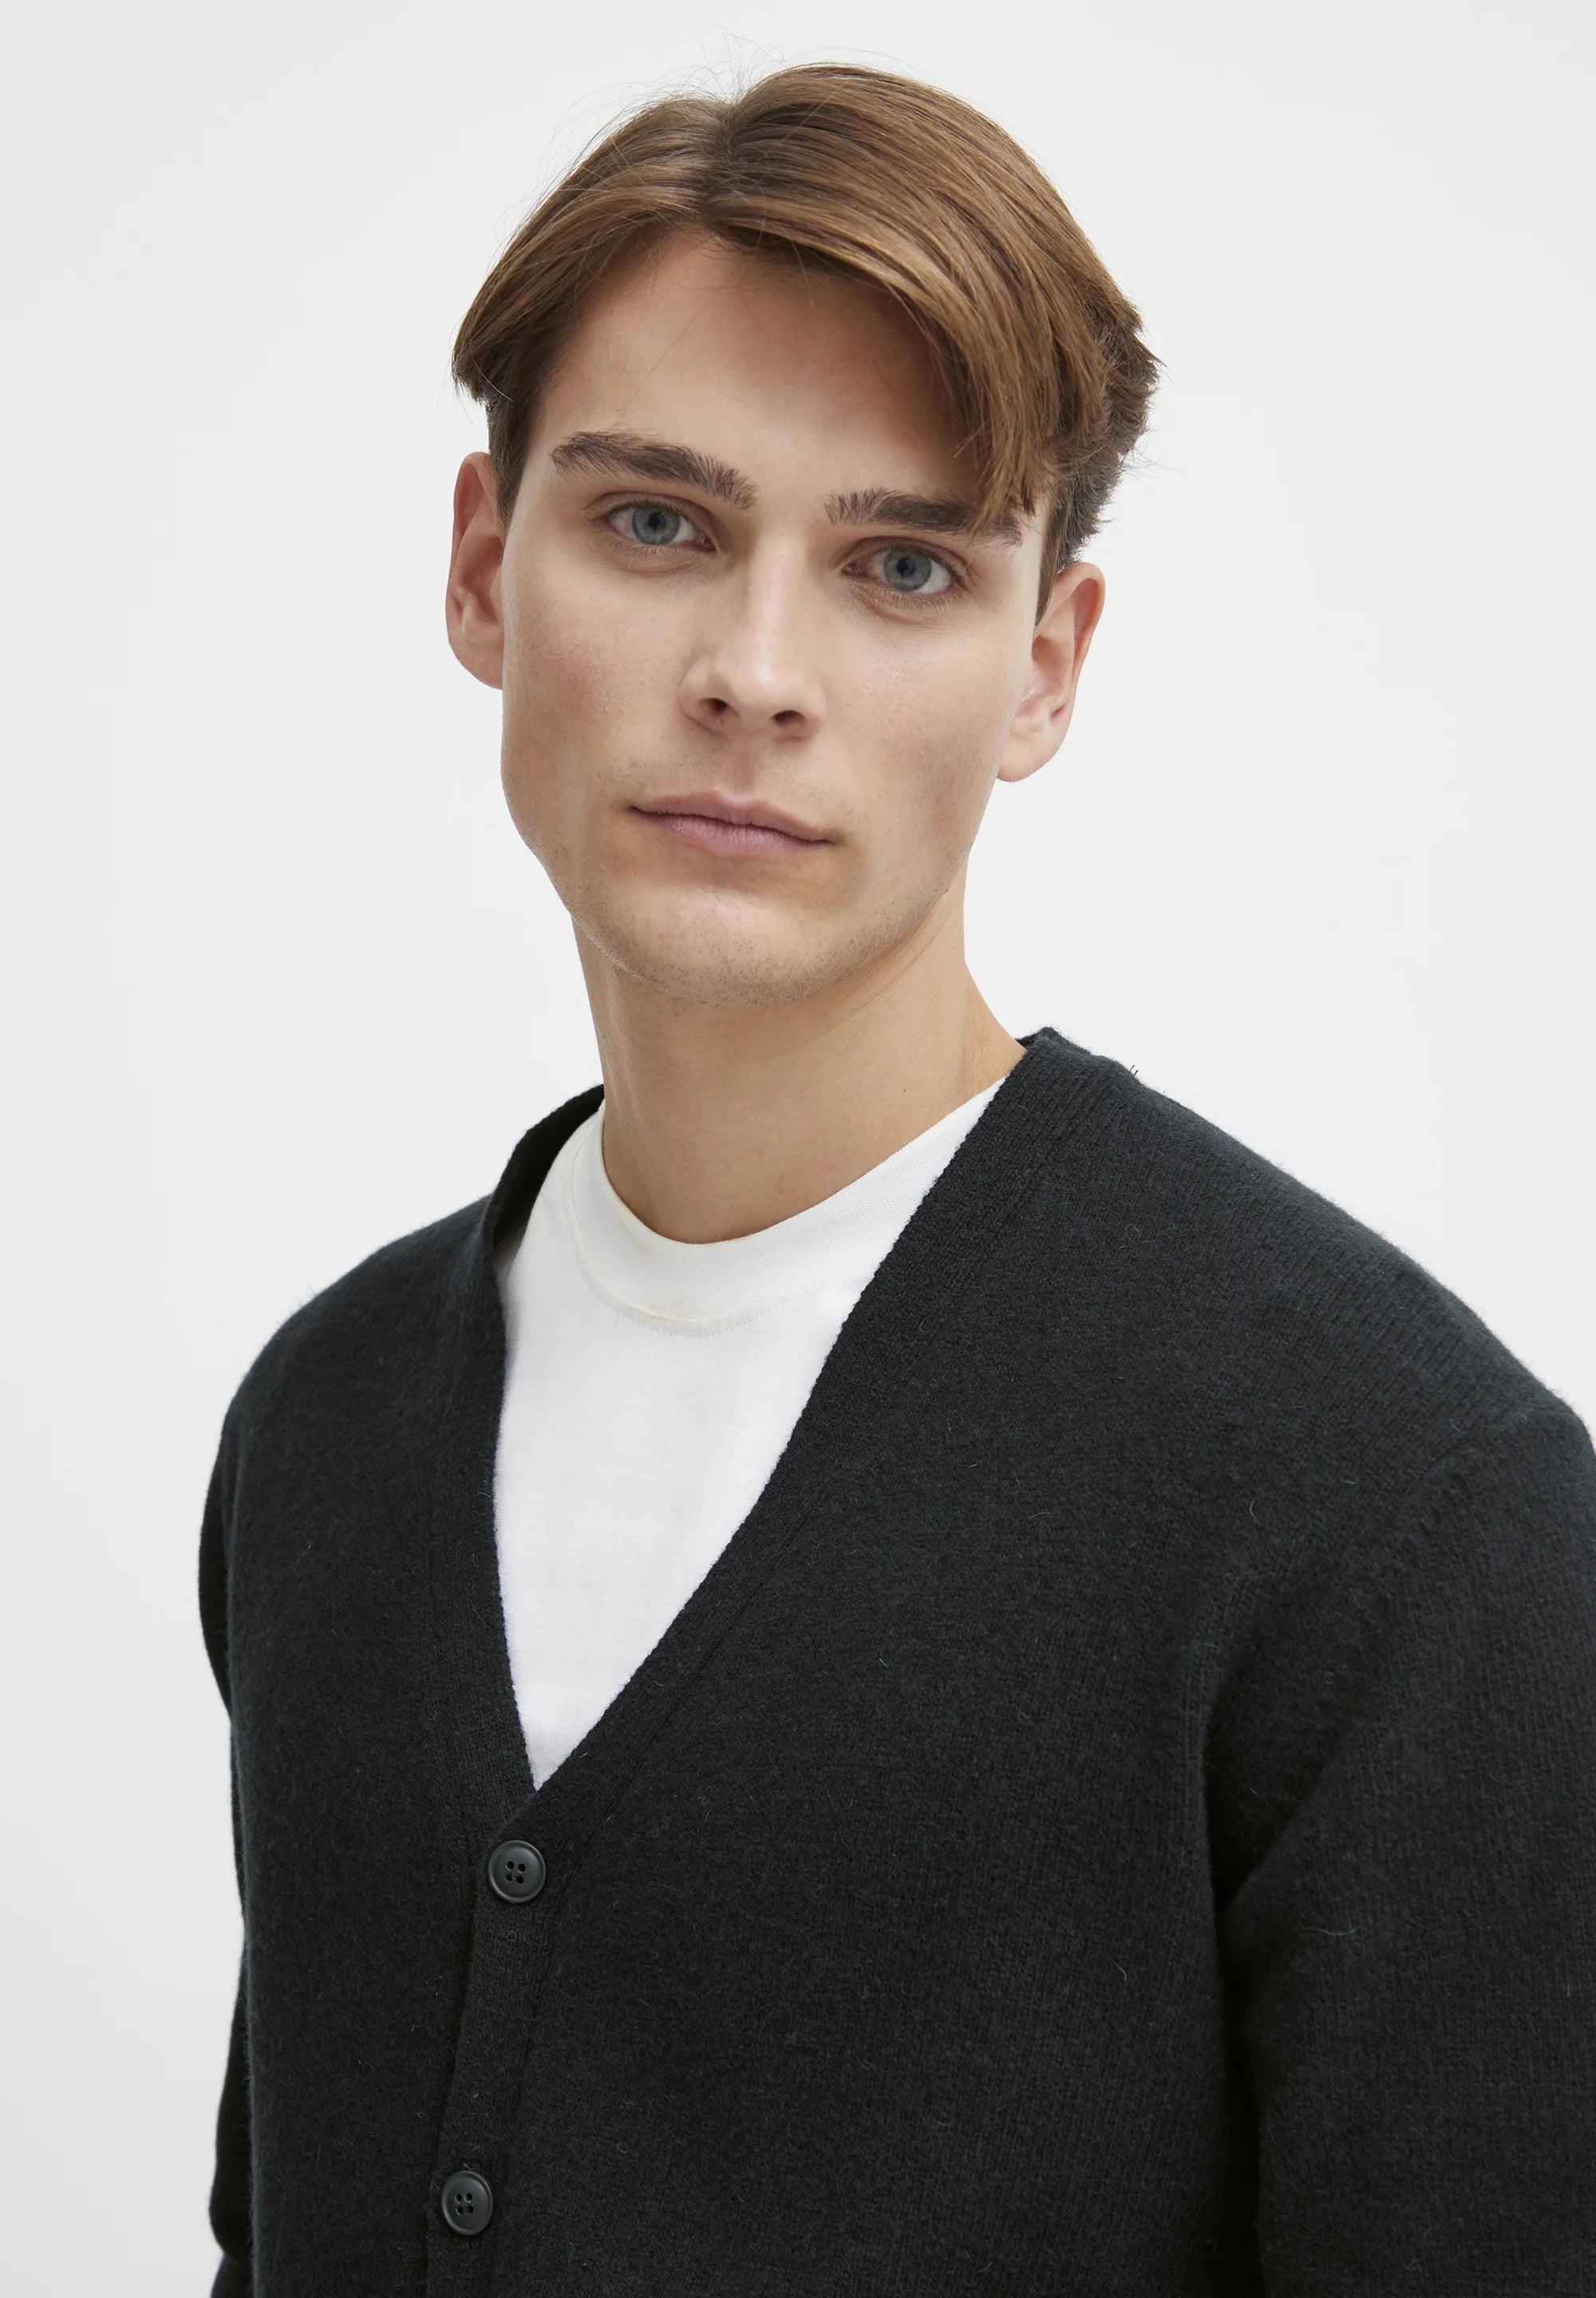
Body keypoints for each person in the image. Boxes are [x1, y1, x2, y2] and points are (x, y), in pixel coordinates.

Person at [197, 62, 1596, 2296]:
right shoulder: (326, 1425)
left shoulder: (1395, 1509)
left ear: (1045, 667)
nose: (754, 677)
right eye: (656, 524)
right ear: (481, 566)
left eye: (904, 568)